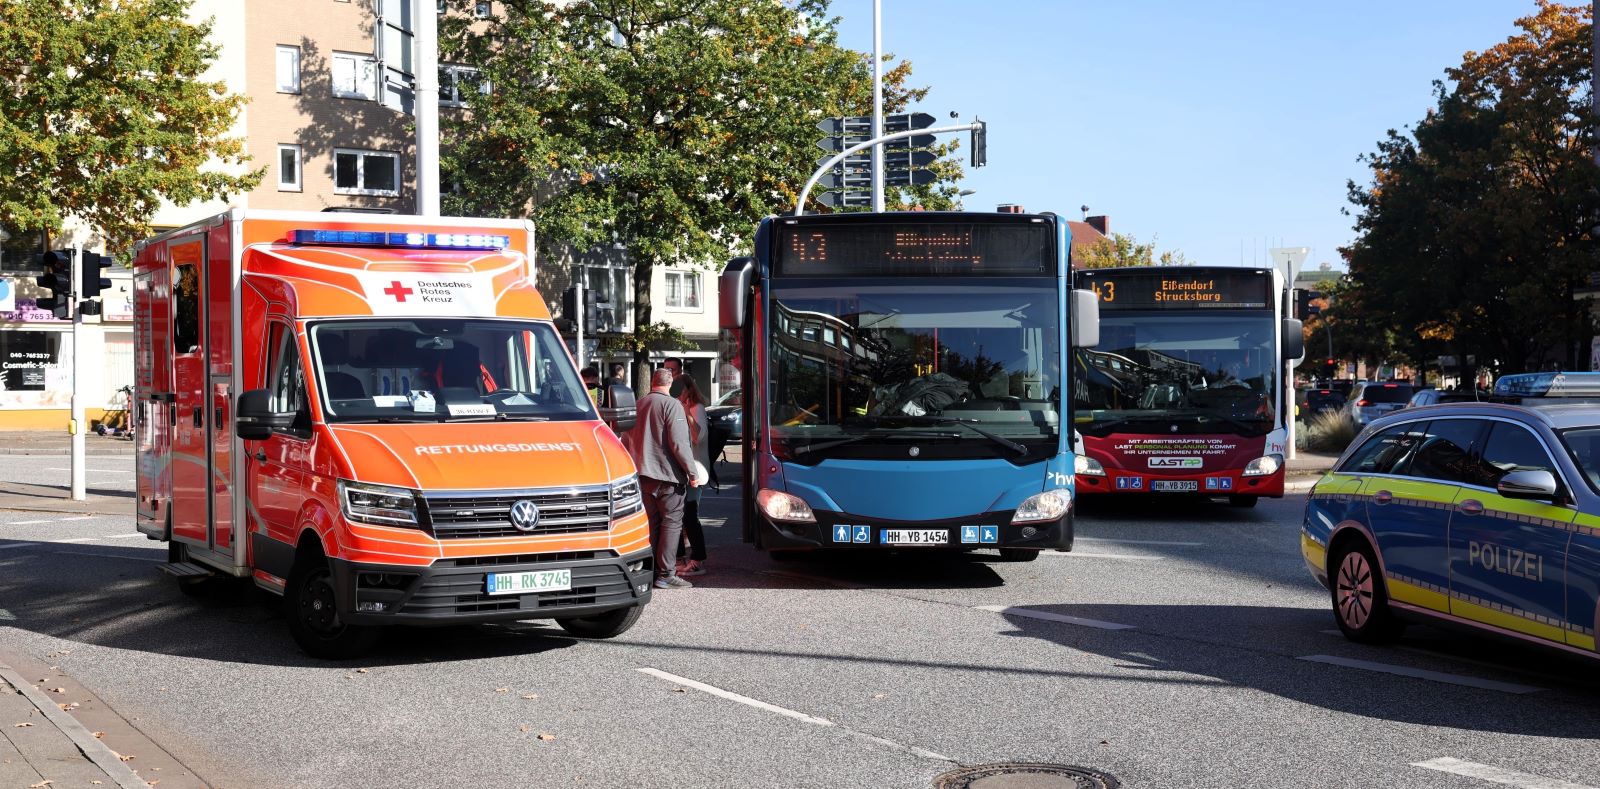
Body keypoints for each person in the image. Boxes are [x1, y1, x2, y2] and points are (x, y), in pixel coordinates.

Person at [626, 368, 699, 589]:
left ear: (653, 383)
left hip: (642, 474)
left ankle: (648, 571)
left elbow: (625, 438)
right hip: (667, 476)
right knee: (671, 523)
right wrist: (692, 472)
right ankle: (666, 573)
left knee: (652, 524)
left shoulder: (638, 405)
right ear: (670, 385)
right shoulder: (672, 405)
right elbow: (678, 444)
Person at [675, 375, 712, 577]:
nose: (679, 396)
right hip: (683, 468)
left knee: (690, 514)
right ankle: (681, 558)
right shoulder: (678, 407)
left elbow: (698, 437)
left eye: (681, 391)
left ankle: (697, 559)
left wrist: (687, 413)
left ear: (689, 391)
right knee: (680, 514)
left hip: (696, 469)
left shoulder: (697, 408)